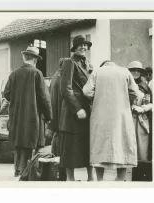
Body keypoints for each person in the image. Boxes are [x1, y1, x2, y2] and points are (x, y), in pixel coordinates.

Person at [83, 60, 139, 181]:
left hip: (100, 114)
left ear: (103, 65)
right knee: (122, 144)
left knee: (100, 145)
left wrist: (95, 96)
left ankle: (100, 180)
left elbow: (86, 91)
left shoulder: (97, 72)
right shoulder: (125, 72)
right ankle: (119, 180)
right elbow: (135, 92)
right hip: (121, 115)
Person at [4, 46, 52, 177]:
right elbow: (45, 98)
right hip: (33, 115)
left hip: (16, 115)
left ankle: (17, 170)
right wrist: (49, 115)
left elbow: (6, 94)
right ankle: (25, 172)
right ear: (35, 59)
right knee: (30, 143)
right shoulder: (37, 73)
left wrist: (17, 100)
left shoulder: (13, 74)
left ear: (24, 57)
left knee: (19, 142)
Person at [57, 35, 94, 181]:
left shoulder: (88, 64)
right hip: (73, 113)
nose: (83, 47)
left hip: (86, 110)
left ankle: (91, 178)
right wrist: (77, 109)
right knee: (70, 147)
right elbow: (66, 89)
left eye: (85, 45)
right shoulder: (69, 63)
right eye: (80, 45)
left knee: (87, 145)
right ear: (75, 47)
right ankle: (70, 180)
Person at [127, 61, 153, 162]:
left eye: (138, 70)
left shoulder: (144, 86)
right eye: (133, 70)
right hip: (128, 118)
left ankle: (141, 171)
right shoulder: (125, 84)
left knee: (142, 148)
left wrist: (144, 108)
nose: (136, 72)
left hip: (142, 119)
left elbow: (151, 102)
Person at [47, 58, 67, 181]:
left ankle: (59, 174)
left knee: (56, 145)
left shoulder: (55, 76)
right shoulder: (62, 77)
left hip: (54, 116)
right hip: (60, 117)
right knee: (60, 147)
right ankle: (61, 175)